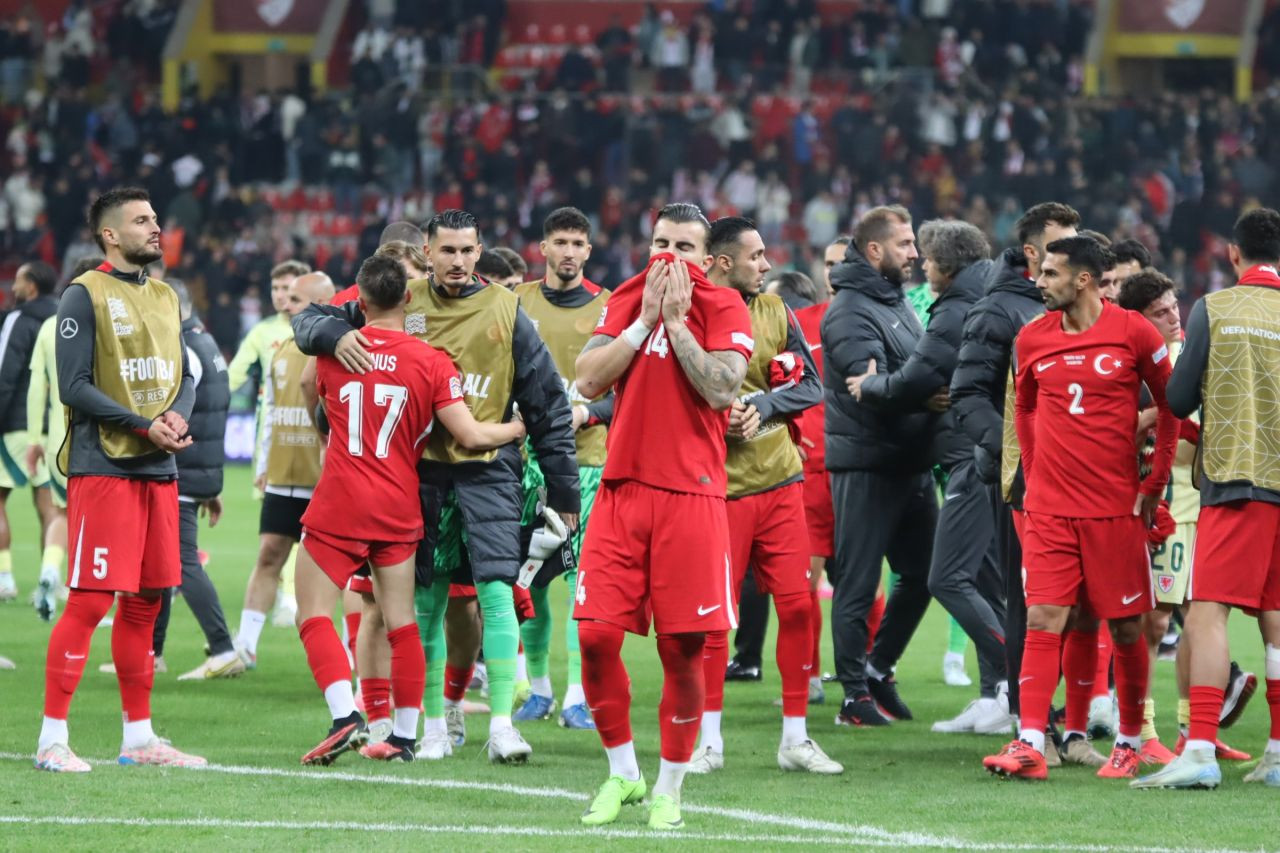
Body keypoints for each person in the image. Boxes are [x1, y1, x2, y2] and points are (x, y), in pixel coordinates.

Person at [292, 209, 579, 765]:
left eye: (468, 251)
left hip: (489, 468)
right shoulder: (403, 298)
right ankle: (429, 727)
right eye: (447, 251)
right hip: (420, 472)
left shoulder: (505, 308)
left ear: (479, 251)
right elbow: (309, 320)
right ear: (426, 250)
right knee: (424, 602)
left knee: (492, 594)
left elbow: (547, 404)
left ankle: (499, 724)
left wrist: (563, 490)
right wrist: (330, 331)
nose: (459, 261)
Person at [573, 203, 753, 830]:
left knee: (684, 648)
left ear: (708, 259)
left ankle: (670, 788)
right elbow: (588, 379)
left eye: (682, 245)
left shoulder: (726, 307)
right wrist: (643, 319)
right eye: (659, 242)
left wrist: (676, 326)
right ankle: (623, 773)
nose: (668, 256)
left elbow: (723, 388)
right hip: (622, 491)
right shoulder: (628, 296)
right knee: (595, 637)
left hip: (691, 496)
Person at [983, 235, 1179, 781]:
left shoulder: (1133, 332)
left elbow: (1170, 408)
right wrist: (1038, 465)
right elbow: (1023, 404)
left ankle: (1131, 738)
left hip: (1114, 510)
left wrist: (1154, 484)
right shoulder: (1031, 337)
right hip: (1049, 509)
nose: (1039, 281)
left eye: (1049, 273)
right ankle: (1028, 743)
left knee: (1124, 629)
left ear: (1083, 280)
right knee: (1046, 617)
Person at [36, 186, 203, 772]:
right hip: (103, 468)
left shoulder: (165, 295)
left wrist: (175, 413)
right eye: (141, 221)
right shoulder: (82, 296)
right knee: (88, 601)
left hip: (160, 468)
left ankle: (139, 739)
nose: (155, 228)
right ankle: (52, 739)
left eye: (154, 218)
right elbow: (74, 386)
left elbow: (188, 371)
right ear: (110, 234)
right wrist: (143, 425)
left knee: (147, 604)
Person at [1136, 207, 1280, 789]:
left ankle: (1198, 749)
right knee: (1275, 621)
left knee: (1207, 611)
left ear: (1234, 254)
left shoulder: (1216, 309)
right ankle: (1277, 751)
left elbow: (1178, 396)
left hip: (1237, 479)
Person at [689, 216, 839, 775]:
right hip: (715, 490)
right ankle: (708, 741)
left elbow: (808, 385)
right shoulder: (688, 317)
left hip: (779, 482)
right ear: (724, 263)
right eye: (757, 256)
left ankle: (795, 739)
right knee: (712, 620)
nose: (767, 264)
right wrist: (717, 419)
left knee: (798, 606)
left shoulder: (776, 312)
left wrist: (766, 407)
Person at [848, 221, 1009, 736]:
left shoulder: (958, 308)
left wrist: (871, 384)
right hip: (990, 454)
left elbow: (917, 376)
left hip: (971, 456)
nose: (921, 262)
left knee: (947, 577)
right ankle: (997, 696)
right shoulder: (991, 293)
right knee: (987, 577)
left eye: (927, 255)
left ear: (946, 265)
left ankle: (1020, 672)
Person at [950, 201, 1083, 763]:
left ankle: (1073, 725)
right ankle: (1034, 726)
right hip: (1028, 482)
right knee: (1030, 600)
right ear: (1032, 253)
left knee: (1086, 605)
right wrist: (1023, 449)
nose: (1073, 254)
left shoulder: (1079, 308)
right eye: (1059, 245)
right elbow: (967, 397)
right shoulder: (999, 312)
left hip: (1085, 478)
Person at [1119, 269, 1256, 763]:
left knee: (1200, 619)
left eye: (1175, 304)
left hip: (1205, 505)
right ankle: (1141, 731)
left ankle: (1192, 729)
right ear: (1139, 321)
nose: (1174, 315)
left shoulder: (1191, 355)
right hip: (1165, 507)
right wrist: (1159, 418)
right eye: (1160, 312)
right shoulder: (1133, 368)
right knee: (1153, 623)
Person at [821, 205, 937, 727]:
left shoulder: (893, 303)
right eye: (905, 244)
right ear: (875, 251)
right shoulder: (849, 311)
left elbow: (904, 373)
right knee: (859, 582)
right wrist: (929, 394)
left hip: (908, 461)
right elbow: (870, 387)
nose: (915, 253)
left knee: (926, 574)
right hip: (866, 463)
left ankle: (877, 668)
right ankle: (852, 697)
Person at [512, 207, 612, 729]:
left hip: (588, 463)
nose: (569, 251)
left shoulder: (610, 308)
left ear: (588, 251)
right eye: (560, 242)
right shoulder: (515, 303)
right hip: (525, 464)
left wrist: (588, 411)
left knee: (582, 584)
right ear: (543, 248)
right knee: (525, 582)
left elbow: (630, 392)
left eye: (578, 242)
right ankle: (540, 689)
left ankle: (578, 695)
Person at [233, 272, 335, 668]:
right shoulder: (281, 350)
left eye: (296, 299)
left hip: (322, 479)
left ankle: (347, 655)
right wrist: (263, 465)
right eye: (286, 297)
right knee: (268, 556)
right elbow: (270, 413)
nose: (287, 305)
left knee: (334, 573)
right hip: (283, 477)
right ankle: (245, 647)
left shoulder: (336, 350)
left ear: (321, 303)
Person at [155, 280, 239, 681]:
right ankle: (152, 652)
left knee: (180, 561)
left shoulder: (183, 348)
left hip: (180, 470)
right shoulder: (206, 342)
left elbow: (180, 414)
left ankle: (222, 648)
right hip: (197, 470)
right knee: (161, 563)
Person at [226, 258, 311, 626]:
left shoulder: (323, 332)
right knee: (276, 532)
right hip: (272, 440)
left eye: (289, 290)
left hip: (309, 443)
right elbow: (233, 375)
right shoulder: (262, 333)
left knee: (300, 526)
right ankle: (280, 594)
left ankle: (291, 595)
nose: (281, 297)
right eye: (276, 289)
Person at [0, 260, 61, 601]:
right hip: (53, 426)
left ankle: (4, 578)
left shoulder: (17, 319)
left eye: (19, 281)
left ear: (32, 285)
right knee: (50, 507)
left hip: (16, 423)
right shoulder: (63, 320)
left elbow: (5, 374)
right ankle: (50, 578)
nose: (13, 287)